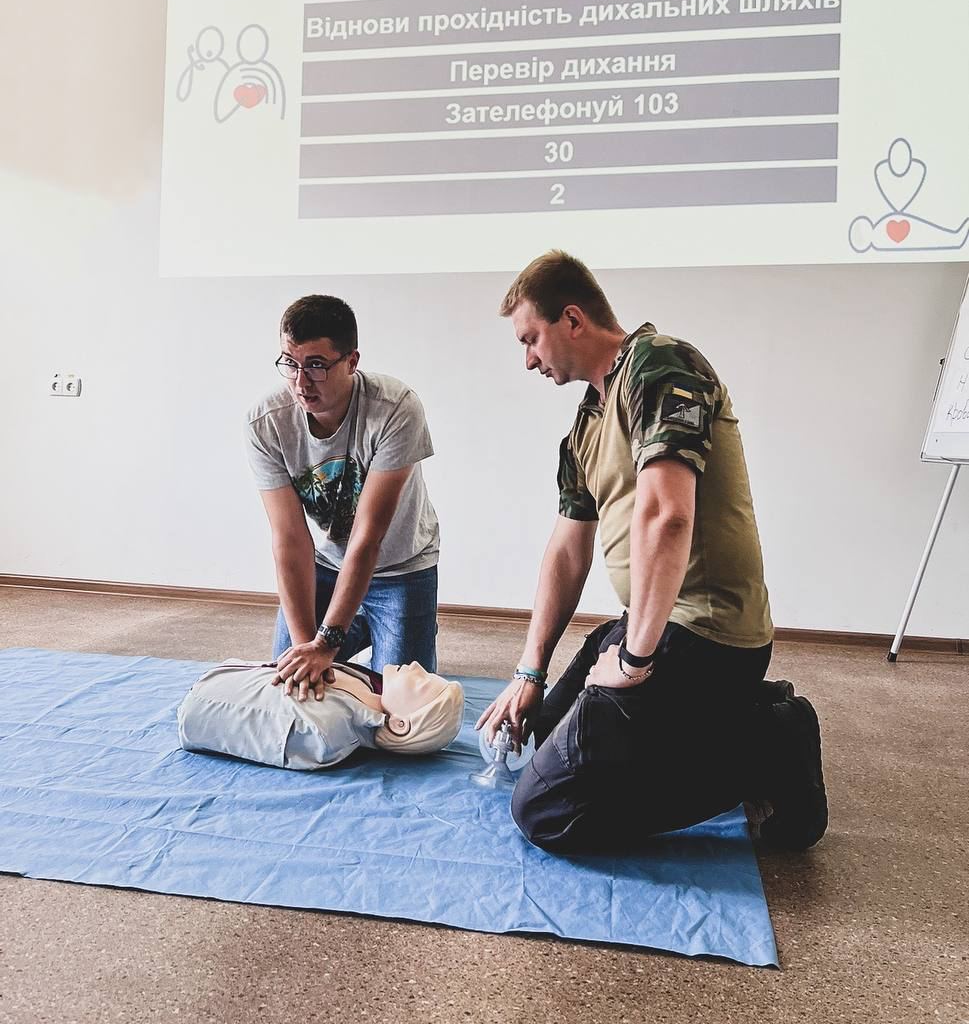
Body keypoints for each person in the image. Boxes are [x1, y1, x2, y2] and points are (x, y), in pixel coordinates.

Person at [476, 251, 827, 855]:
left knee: (545, 811)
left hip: (705, 639)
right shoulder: (585, 424)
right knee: (542, 736)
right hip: (653, 627)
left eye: (531, 338)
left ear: (573, 320)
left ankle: (769, 745)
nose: (528, 358)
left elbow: (668, 515)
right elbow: (566, 549)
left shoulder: (660, 364)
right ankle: (732, 721)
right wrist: (529, 673)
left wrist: (634, 662)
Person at [246, 294, 440, 701]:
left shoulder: (394, 408)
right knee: (290, 688)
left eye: (316, 365)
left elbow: (368, 536)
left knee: (403, 707)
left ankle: (390, 633)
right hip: (327, 565)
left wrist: (328, 642)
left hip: (400, 569)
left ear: (351, 362)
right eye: (290, 363)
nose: (301, 382)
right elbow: (289, 539)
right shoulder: (267, 422)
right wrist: (307, 650)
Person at [178, 660, 464, 768]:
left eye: (422, 682)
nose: (415, 665)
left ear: (401, 724)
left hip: (201, 700)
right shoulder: (367, 691)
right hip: (215, 683)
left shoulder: (325, 734)